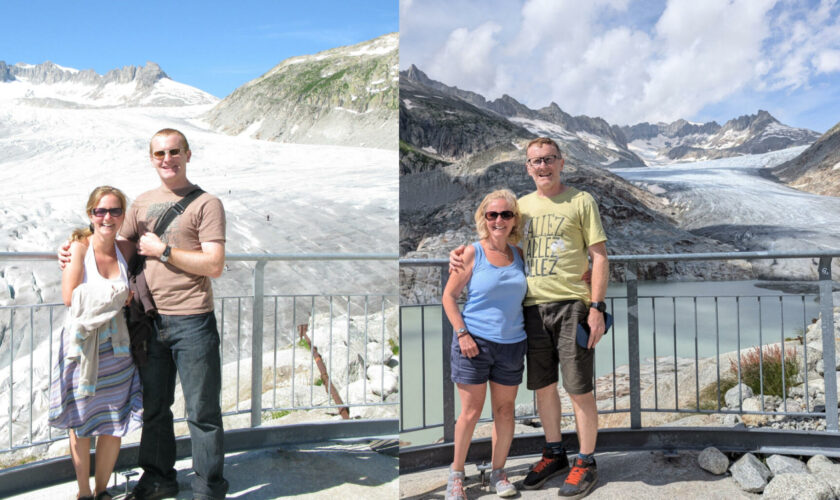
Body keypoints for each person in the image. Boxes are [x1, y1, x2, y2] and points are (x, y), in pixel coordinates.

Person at [60, 129, 228, 500]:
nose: (167, 159)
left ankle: (208, 489)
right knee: (155, 408)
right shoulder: (141, 204)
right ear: (151, 158)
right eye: (159, 153)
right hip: (150, 323)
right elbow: (113, 241)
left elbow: (214, 264)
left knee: (202, 411)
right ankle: (158, 478)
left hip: (193, 318)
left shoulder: (207, 204)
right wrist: (77, 245)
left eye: (173, 152)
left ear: (187, 154)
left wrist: (165, 251)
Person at [451, 137, 608, 499]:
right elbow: (498, 239)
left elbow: (599, 256)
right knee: (543, 386)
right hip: (532, 310)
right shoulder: (519, 207)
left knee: (579, 387)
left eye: (549, 159)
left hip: (572, 305)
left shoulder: (581, 201)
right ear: (528, 167)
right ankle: (554, 452)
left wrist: (596, 306)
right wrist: (459, 253)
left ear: (561, 162)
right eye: (536, 161)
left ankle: (586, 462)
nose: (542, 166)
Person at [49, 186, 143, 500]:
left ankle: (102, 490)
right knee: (81, 419)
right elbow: (69, 297)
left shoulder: (126, 249)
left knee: (113, 420)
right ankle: (84, 491)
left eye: (115, 211)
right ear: (90, 214)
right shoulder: (78, 247)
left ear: (123, 215)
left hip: (117, 348)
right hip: (82, 345)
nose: (107, 217)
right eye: (100, 211)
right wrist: (117, 295)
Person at [442, 189, 528, 500]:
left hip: (512, 344)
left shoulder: (518, 254)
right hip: (474, 344)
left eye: (505, 214)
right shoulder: (471, 253)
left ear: (514, 219)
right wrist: (462, 334)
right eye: (492, 215)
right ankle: (456, 475)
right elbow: (449, 297)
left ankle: (498, 472)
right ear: (484, 218)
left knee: (505, 412)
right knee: (470, 413)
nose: (499, 220)